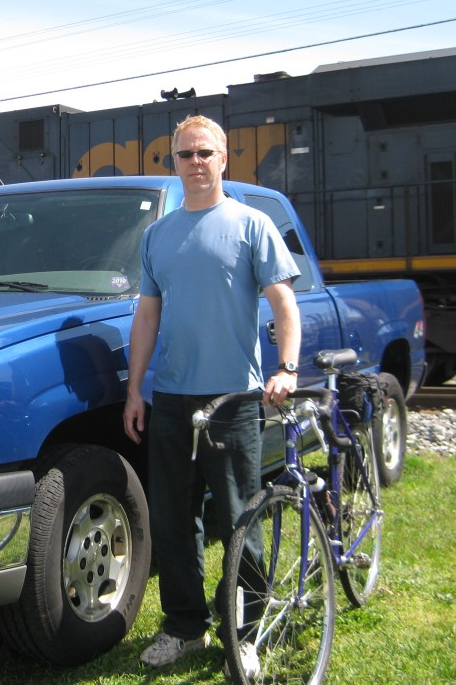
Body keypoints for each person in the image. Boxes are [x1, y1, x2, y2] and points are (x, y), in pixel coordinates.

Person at [123, 114, 302, 670]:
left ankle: (245, 632)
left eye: (205, 153)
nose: (195, 163)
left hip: (235, 400)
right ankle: (185, 626)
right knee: (175, 521)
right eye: (184, 155)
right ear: (173, 163)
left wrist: (287, 368)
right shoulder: (158, 236)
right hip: (172, 400)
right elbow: (147, 318)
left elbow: (282, 304)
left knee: (239, 519)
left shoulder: (252, 225)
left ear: (224, 159)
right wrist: (136, 391)